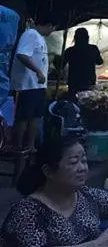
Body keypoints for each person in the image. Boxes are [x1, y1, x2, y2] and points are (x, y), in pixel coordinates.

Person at [12, 17, 56, 151]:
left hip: (38, 86)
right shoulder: (30, 34)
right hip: (27, 85)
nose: (53, 31)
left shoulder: (40, 38)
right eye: (53, 28)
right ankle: (18, 145)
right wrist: (38, 71)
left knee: (36, 116)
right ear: (49, 24)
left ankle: (31, 145)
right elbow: (22, 55)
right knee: (24, 117)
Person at [61, 27, 103, 97]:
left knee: (74, 102)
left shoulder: (70, 51)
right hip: (89, 82)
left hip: (74, 83)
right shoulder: (93, 49)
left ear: (75, 38)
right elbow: (100, 62)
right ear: (88, 37)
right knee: (88, 102)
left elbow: (60, 65)